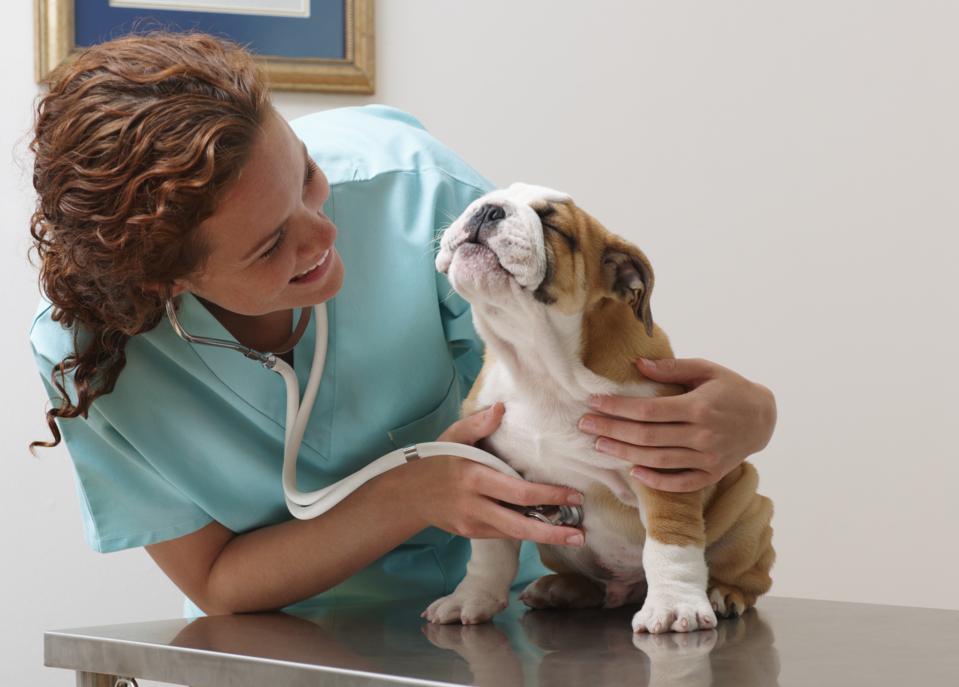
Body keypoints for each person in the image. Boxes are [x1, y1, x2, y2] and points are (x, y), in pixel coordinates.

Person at [27, 31, 777, 619]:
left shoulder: (412, 190)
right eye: (268, 246)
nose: (321, 232)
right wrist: (409, 497)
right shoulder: (91, 354)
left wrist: (751, 413)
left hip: (507, 619)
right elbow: (218, 581)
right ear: (166, 281)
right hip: (279, 641)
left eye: (308, 178)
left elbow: (600, 370)